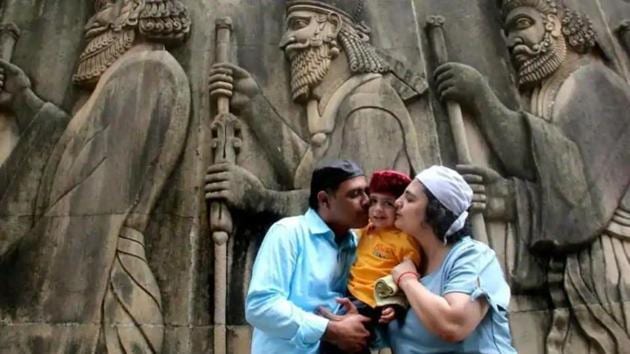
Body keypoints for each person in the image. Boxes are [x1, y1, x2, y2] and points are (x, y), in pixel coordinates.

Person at [434, 0, 630, 351]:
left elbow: (579, 184)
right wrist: (511, 195)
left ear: (556, 25)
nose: (512, 42)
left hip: (612, 267)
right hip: (576, 274)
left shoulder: (594, 83)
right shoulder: (549, 94)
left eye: (523, 24)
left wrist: (482, 99)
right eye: (508, 34)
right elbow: (549, 168)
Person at [0, 1, 191, 352]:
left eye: (105, 6)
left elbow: (84, 217)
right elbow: (80, 163)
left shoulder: (142, 73)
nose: (93, 21)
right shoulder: (130, 74)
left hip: (107, 299)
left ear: (132, 12)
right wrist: (26, 103)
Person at [205, 0, 427, 217]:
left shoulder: (370, 107)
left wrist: (263, 199)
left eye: (298, 24)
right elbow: (309, 179)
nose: (284, 42)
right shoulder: (335, 103)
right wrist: (253, 104)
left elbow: (357, 209)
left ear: (333, 25)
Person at [245, 159, 373, 354]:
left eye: (367, 191)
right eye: (354, 194)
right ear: (324, 200)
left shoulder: (356, 244)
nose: (366, 201)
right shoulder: (288, 233)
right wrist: (330, 329)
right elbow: (260, 306)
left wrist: (355, 320)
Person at [388, 165, 517, 354]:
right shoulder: (408, 263)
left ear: (435, 211)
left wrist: (407, 280)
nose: (397, 203)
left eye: (410, 198)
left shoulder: (473, 256)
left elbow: (454, 325)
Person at [342, 170, 421, 352]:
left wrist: (396, 305)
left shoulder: (404, 239)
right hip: (350, 294)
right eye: (374, 201)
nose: (378, 209)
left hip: (375, 302)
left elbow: (410, 277)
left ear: (400, 207)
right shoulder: (364, 231)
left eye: (388, 204)